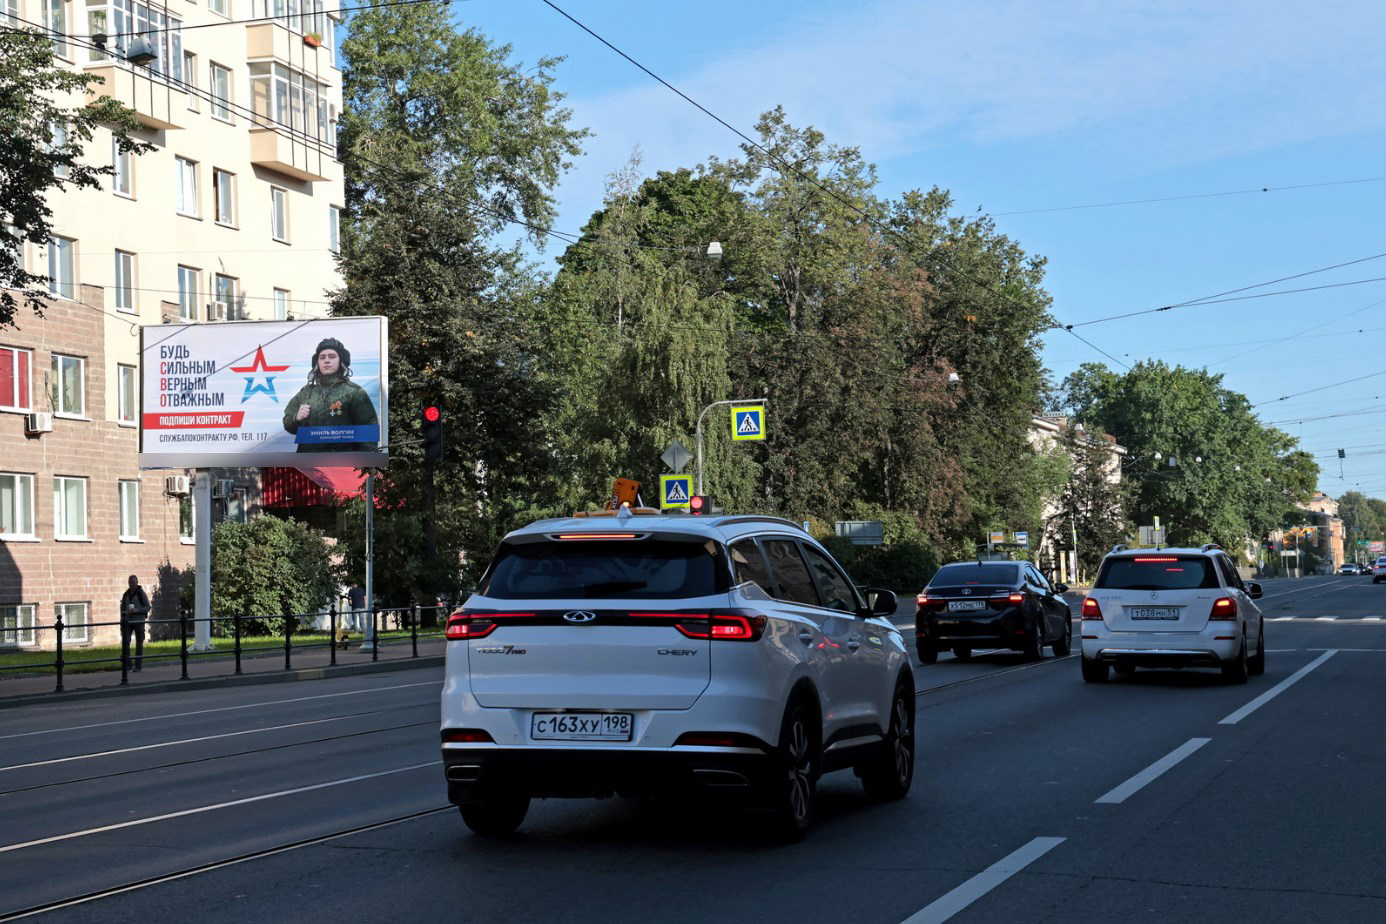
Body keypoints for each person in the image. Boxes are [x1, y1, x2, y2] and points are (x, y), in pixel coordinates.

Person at [282, 338, 378, 452]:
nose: (326, 361)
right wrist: (296, 418)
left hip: (342, 464)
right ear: (317, 362)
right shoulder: (306, 393)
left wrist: (365, 465)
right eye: (322, 357)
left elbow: (368, 431)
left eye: (332, 356)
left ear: (341, 361)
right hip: (308, 465)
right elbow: (288, 424)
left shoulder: (354, 392)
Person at [120, 575, 151, 672]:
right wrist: (123, 618)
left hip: (139, 621)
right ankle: (128, 665)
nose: (130, 584)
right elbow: (122, 607)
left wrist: (137, 610)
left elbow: (148, 607)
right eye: (129, 582)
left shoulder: (141, 594)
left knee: (139, 643)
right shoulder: (126, 594)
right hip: (128, 622)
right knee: (126, 642)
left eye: (132, 582)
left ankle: (138, 666)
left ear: (137, 582)